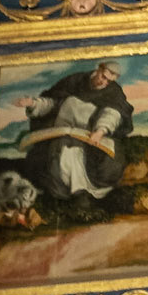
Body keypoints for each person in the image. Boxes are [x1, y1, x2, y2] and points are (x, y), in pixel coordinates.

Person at [20, 61, 135, 204]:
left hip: (87, 137)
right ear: (99, 69)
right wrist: (33, 104)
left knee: (75, 155)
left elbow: (112, 113)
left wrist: (100, 131)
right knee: (53, 160)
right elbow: (53, 104)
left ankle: (81, 193)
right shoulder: (74, 81)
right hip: (59, 132)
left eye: (109, 81)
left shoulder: (113, 92)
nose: (104, 83)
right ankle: (62, 196)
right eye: (103, 77)